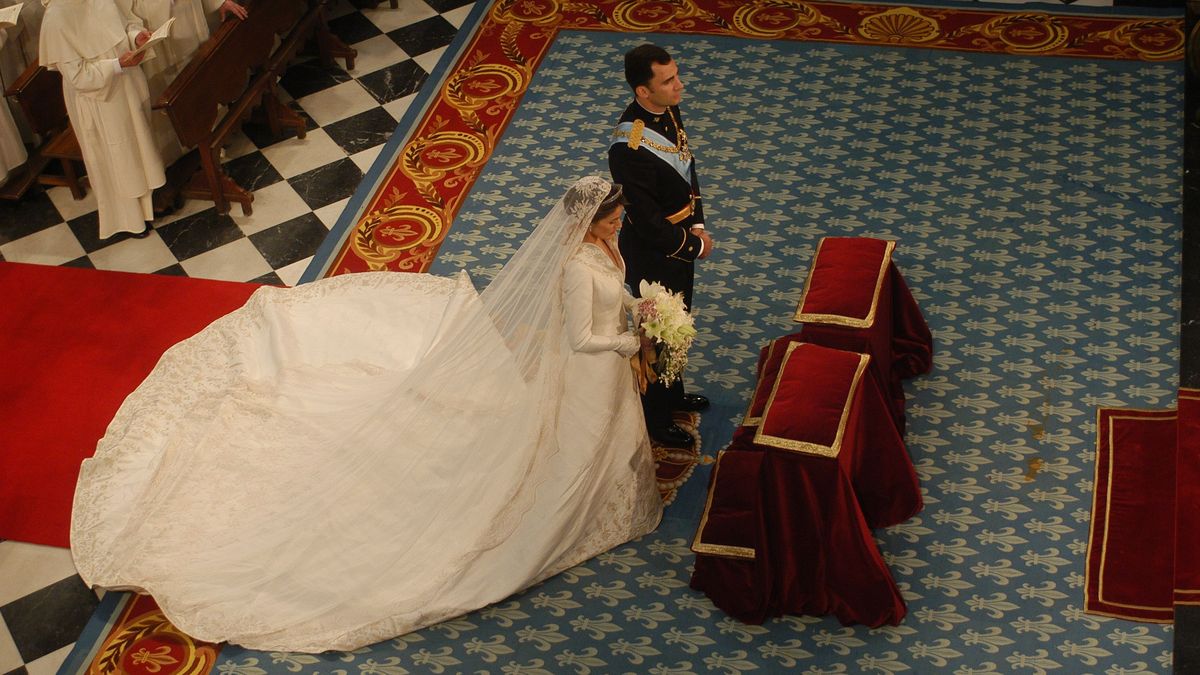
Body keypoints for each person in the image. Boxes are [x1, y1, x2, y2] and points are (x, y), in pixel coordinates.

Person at [70, 176, 663, 652]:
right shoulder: (576, 269)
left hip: (606, 371)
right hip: (594, 366)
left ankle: (600, 491)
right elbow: (582, 337)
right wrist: (627, 342)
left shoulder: (602, 249)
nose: (619, 223)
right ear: (590, 220)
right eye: (612, 217)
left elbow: (613, 299)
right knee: (574, 448)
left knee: (597, 442)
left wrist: (644, 309)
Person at [608, 43, 712, 448]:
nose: (679, 87)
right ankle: (656, 416)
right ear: (642, 92)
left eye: (676, 76)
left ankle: (674, 393)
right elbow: (648, 222)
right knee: (655, 334)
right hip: (654, 253)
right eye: (668, 81)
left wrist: (698, 223)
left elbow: (686, 165)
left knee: (678, 325)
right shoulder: (629, 147)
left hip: (681, 238)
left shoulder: (667, 108)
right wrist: (693, 246)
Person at [39, 0, 165, 238]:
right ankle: (127, 220)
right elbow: (77, 77)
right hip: (99, 99)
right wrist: (117, 64)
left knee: (136, 150)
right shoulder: (56, 18)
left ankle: (148, 209)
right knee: (114, 158)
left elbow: (124, 24)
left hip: (125, 85)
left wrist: (137, 37)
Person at [118, 0, 247, 165]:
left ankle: (216, 137)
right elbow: (124, 14)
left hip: (190, 22)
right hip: (157, 33)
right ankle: (187, 154)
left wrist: (218, 2)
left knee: (202, 79)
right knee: (174, 92)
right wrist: (136, 34)